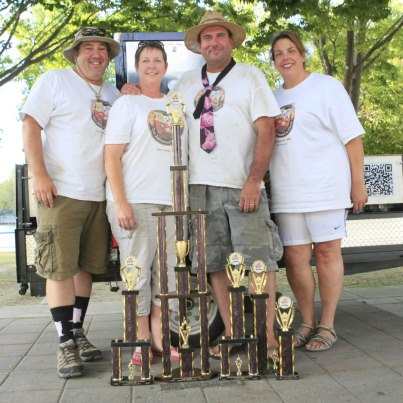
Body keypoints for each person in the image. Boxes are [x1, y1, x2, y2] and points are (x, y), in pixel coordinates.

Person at [177, 11, 283, 358]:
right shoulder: (185, 83)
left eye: (219, 36)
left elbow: (267, 129)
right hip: (199, 188)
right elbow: (163, 120)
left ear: (231, 40)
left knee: (258, 262)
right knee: (215, 265)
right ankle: (235, 333)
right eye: (206, 38)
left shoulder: (250, 76)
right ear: (199, 45)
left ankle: (267, 339)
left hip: (242, 186)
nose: (213, 42)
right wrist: (131, 92)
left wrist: (255, 180)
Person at [21, 27, 121, 378]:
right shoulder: (55, 81)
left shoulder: (111, 92)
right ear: (75, 53)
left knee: (84, 268)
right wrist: (40, 175)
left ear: (109, 56)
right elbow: (31, 126)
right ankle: (64, 343)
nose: (96, 54)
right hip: (60, 191)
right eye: (88, 48)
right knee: (60, 267)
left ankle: (77, 332)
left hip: (98, 194)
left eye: (102, 49)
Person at [269, 31, 368, 351]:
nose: (285, 57)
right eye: (278, 53)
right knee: (296, 259)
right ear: (273, 62)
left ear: (302, 54)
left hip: (325, 189)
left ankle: (327, 325)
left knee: (326, 254)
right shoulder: (272, 98)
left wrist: (358, 183)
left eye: (291, 50)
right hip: (287, 193)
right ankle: (306, 322)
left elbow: (352, 139)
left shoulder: (327, 87)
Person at [104, 41, 180, 365]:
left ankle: (161, 336)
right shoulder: (126, 105)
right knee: (137, 274)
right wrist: (121, 203)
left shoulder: (175, 104)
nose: (152, 65)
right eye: (145, 60)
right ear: (137, 66)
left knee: (169, 275)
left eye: (157, 59)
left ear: (165, 66)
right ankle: (140, 340)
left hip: (172, 202)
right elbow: (111, 156)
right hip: (135, 201)